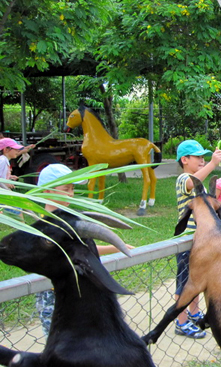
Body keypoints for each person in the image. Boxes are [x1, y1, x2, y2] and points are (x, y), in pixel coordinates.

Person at [34, 163, 134, 336]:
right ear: (47, 191)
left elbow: (79, 251)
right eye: (66, 189)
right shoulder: (43, 226)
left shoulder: (68, 221)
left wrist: (113, 248)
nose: (71, 194)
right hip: (53, 294)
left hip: (75, 291)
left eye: (72, 188)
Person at [175, 139, 221, 339]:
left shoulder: (198, 182)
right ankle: (181, 321)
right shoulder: (183, 179)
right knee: (184, 283)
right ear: (184, 160)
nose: (202, 161)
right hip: (187, 241)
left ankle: (194, 314)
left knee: (196, 281)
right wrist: (212, 164)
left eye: (204, 157)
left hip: (199, 242)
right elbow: (191, 182)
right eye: (198, 157)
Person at [0, 138, 34, 218]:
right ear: (6, 149)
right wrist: (7, 184)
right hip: (3, 194)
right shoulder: (2, 161)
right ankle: (22, 227)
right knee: (17, 209)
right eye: (15, 149)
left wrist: (9, 177)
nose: (18, 151)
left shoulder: (4, 160)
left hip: (4, 193)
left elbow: (2, 176)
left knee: (18, 208)